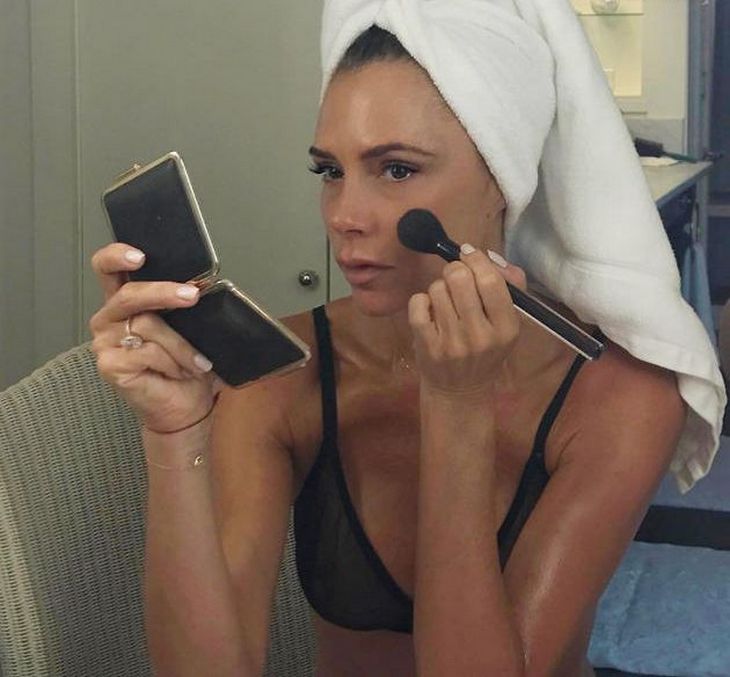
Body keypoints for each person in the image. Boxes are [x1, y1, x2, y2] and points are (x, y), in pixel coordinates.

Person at [89, 2, 722, 675]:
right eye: (330, 171)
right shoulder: (287, 374)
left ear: (502, 179)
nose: (345, 216)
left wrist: (456, 407)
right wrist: (175, 435)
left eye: (396, 169)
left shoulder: (624, 394)